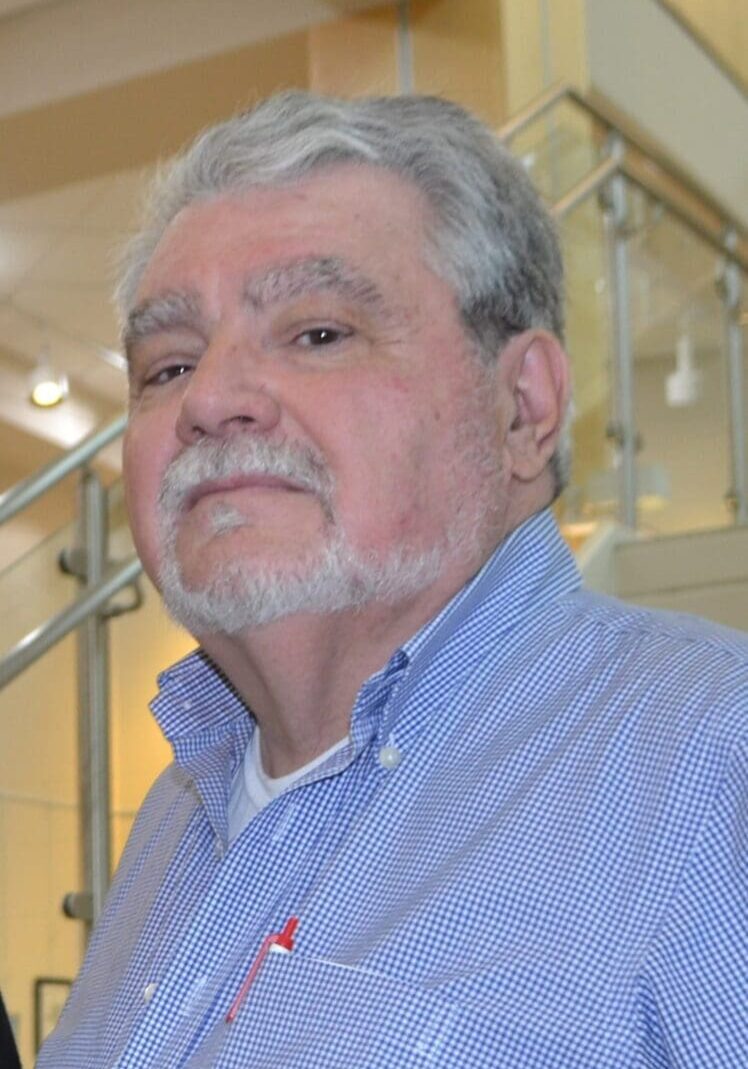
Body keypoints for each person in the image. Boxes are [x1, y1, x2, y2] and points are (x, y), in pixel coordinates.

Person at [39, 92, 746, 1069]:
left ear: (522, 408)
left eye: (318, 333)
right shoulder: (177, 815)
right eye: (166, 367)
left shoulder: (712, 759)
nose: (211, 399)